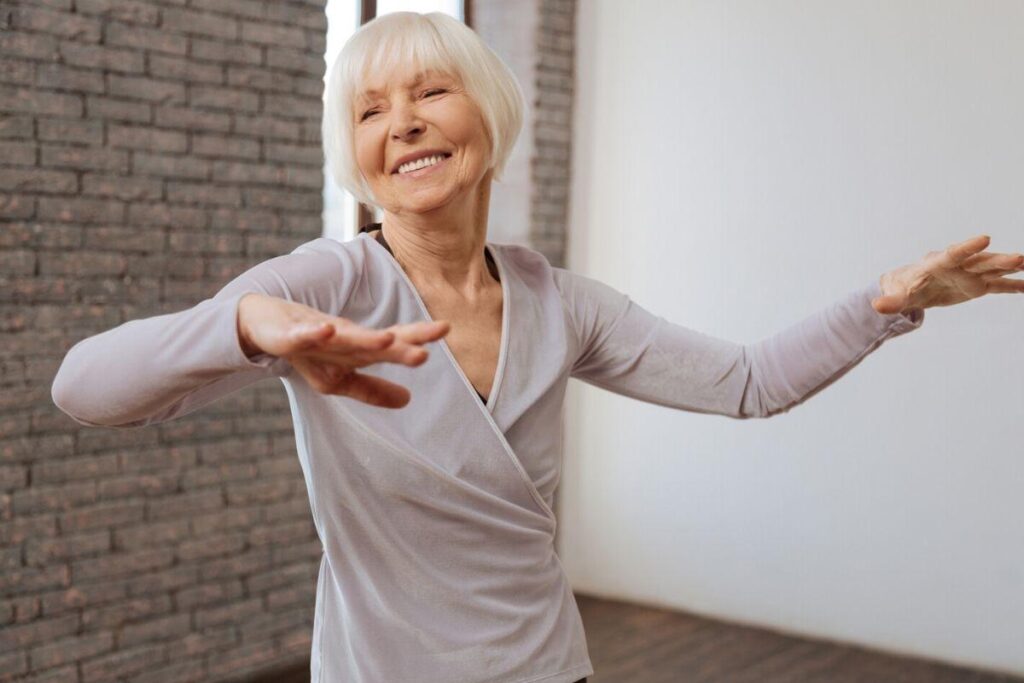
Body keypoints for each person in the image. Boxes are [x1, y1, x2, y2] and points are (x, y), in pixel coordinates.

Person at [50, 11, 1024, 683]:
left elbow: (746, 381)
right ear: (353, 151)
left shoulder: (561, 302)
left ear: (487, 115)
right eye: (371, 109)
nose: (404, 124)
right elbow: (83, 389)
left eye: (430, 91)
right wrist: (239, 323)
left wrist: (885, 302)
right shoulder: (323, 283)